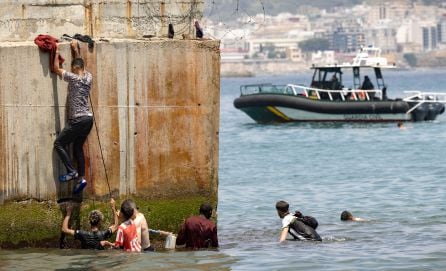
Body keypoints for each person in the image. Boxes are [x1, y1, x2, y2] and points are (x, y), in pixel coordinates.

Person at [52, 40, 93, 194]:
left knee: (58, 144)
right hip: (88, 119)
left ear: (75, 69)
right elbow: (80, 63)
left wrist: (56, 50)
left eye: (73, 68)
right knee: (77, 147)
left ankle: (72, 172)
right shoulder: (89, 77)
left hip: (77, 119)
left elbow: (56, 68)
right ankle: (81, 178)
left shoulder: (73, 78)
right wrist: (75, 49)